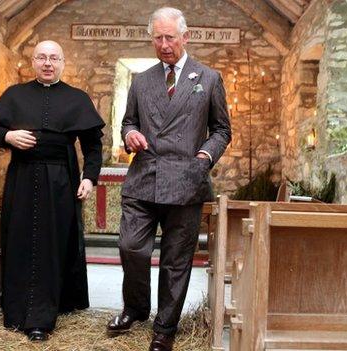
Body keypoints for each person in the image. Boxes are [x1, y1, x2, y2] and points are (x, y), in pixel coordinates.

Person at [106, 7, 231, 351]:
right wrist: (130, 135)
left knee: (176, 261)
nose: (163, 44)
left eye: (170, 37)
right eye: (157, 38)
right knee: (131, 247)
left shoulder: (208, 78)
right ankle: (135, 307)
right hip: (144, 177)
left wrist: (204, 157)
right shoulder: (141, 80)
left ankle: (165, 327)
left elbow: (221, 130)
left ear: (185, 37)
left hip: (186, 183)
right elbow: (128, 122)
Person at [0, 40, 105, 342]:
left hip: (61, 181)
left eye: (54, 58)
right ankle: (16, 311)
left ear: (63, 63)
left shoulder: (77, 98)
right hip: (22, 179)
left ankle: (43, 316)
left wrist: (89, 178)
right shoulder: (15, 94)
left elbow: (92, 146)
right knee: (21, 242)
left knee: (53, 246)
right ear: (33, 62)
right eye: (42, 58)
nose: (48, 63)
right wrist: (9, 135)